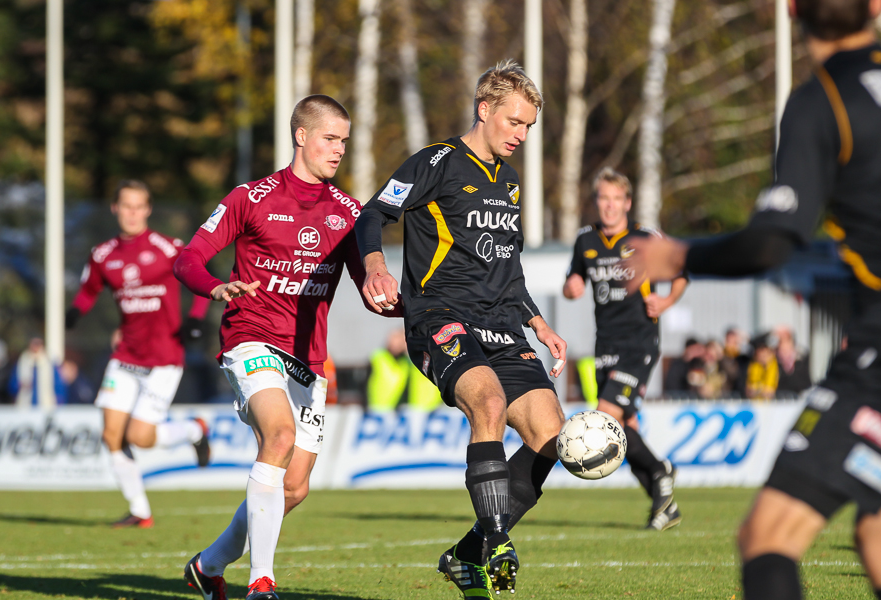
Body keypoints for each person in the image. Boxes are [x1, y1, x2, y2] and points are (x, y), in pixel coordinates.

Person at [625, 1, 881, 597]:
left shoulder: (825, 100)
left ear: (791, 9)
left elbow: (771, 241)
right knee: (874, 533)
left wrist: (680, 254)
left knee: (768, 537)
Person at [355, 59, 567, 598]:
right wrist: (377, 267)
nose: (521, 135)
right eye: (514, 122)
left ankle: (466, 555)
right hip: (439, 316)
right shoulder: (438, 162)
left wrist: (540, 324)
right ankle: (497, 541)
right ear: (484, 109)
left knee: (549, 436)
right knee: (488, 404)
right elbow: (372, 214)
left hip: (503, 324)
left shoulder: (511, 182)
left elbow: (508, 267)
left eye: (528, 127)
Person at [175, 94, 397, 600]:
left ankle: (208, 565)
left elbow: (369, 289)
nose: (339, 149)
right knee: (278, 435)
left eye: (345, 140)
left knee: (293, 486)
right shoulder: (250, 197)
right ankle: (261, 584)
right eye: (330, 138)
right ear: (301, 136)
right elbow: (189, 257)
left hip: (308, 361)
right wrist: (214, 287)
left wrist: (405, 304)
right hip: (249, 337)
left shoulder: (348, 213)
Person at [67, 180, 212, 528]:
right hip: (126, 356)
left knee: (139, 437)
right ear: (115, 209)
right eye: (125, 206)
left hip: (164, 358)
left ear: (147, 210)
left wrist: (194, 321)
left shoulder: (167, 248)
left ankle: (194, 430)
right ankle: (140, 511)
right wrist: (74, 312)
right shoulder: (103, 254)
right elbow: (89, 290)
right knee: (111, 435)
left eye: (139, 206)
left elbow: (201, 280)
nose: (132, 213)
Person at [563, 167, 688, 531]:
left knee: (607, 416)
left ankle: (659, 470)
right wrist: (572, 286)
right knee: (625, 426)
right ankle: (663, 501)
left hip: (639, 341)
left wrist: (665, 302)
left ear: (627, 203)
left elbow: (682, 269)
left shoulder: (645, 239)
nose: (610, 206)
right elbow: (575, 279)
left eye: (617, 199)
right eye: (604, 199)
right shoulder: (585, 240)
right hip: (605, 344)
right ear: (596, 202)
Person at [8, 337, 66, 408]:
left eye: (38, 344)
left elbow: (59, 387)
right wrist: (20, 385)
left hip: (45, 407)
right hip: (25, 406)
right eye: (34, 344)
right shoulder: (21, 363)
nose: (36, 347)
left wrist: (58, 403)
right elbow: (11, 387)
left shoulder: (50, 364)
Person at [745, 334, 779, 401]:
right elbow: (748, 389)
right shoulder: (751, 365)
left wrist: (758, 390)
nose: (763, 354)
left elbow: (770, 391)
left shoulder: (778, 365)